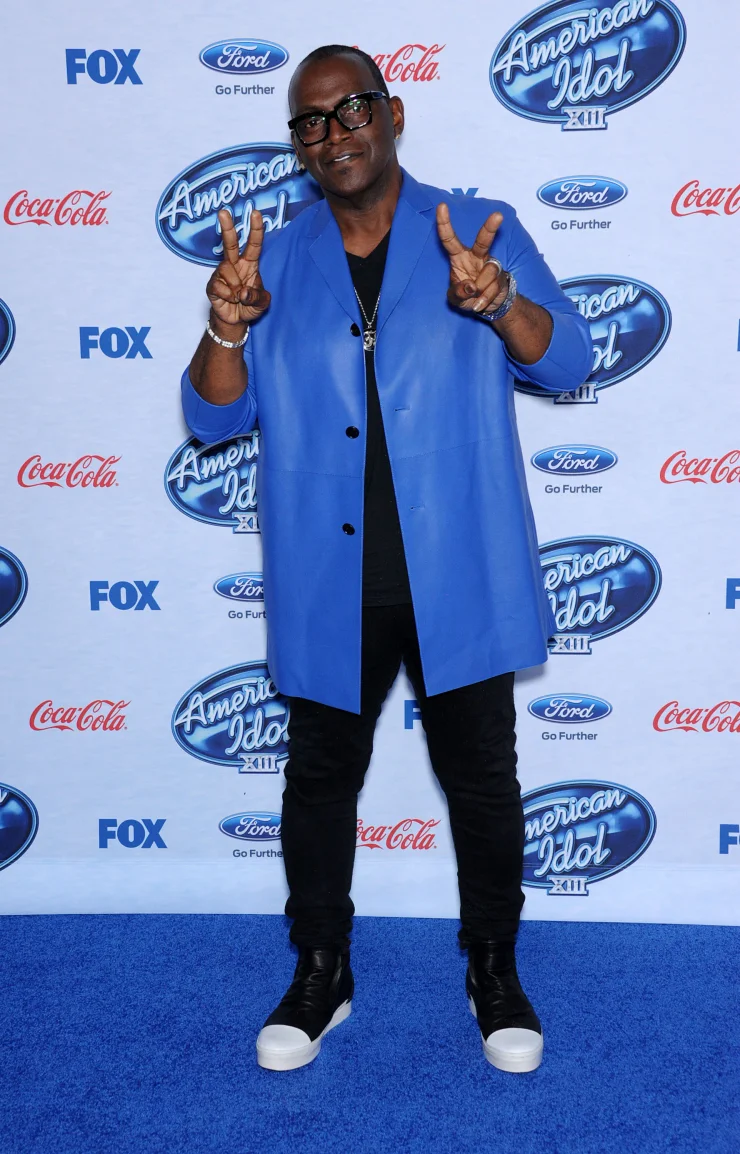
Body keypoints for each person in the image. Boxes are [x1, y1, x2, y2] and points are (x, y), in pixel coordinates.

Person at [182, 44, 592, 1074]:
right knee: (318, 779)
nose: (334, 133)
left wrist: (498, 301)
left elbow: (567, 355)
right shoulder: (270, 258)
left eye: (351, 107)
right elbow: (207, 417)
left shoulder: (472, 229)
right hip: (331, 579)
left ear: (391, 112)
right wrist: (225, 328)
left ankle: (491, 968)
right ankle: (321, 970)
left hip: (457, 567)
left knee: (484, 782)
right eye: (310, 121)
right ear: (299, 145)